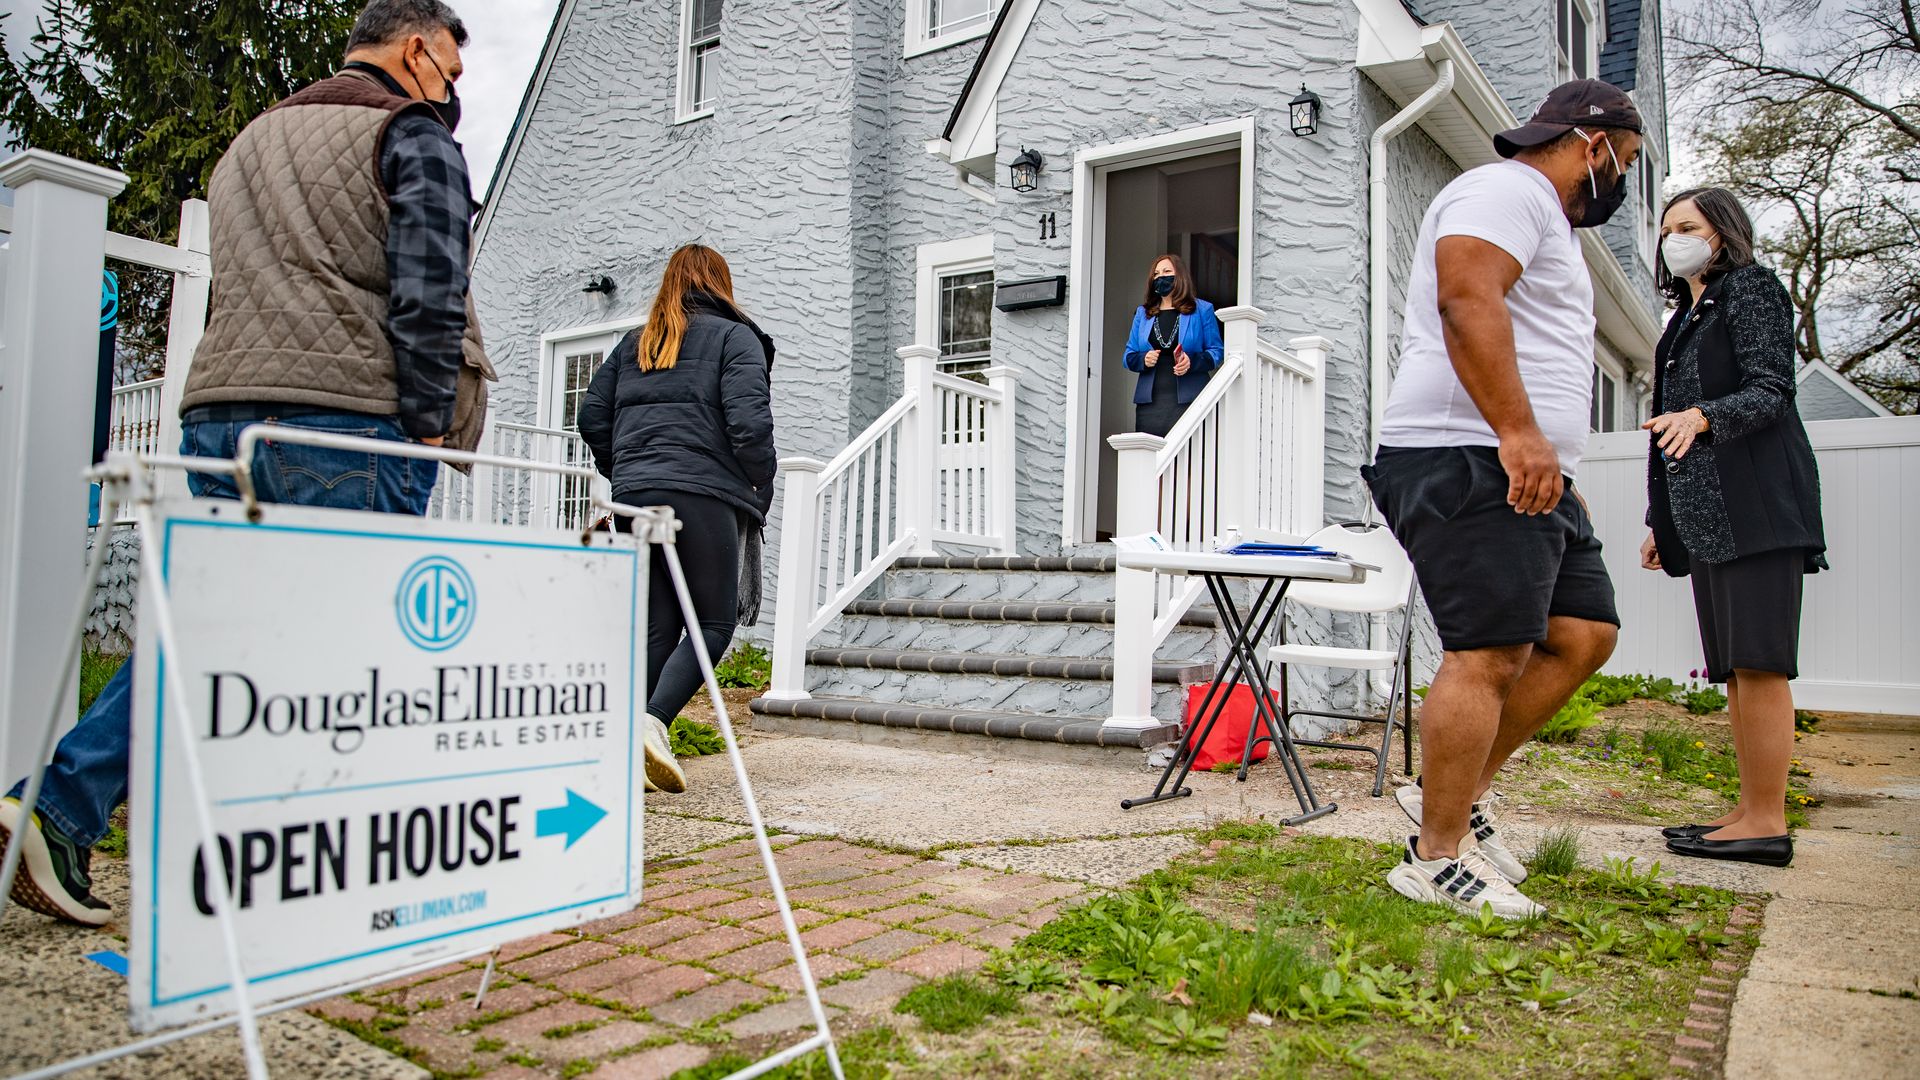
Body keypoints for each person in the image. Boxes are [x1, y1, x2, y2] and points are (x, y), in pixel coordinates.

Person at [0, 0, 491, 926]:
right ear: (418, 49)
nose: (452, 98)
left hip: (220, 417)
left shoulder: (251, 144)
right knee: (352, 661)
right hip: (344, 426)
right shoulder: (409, 131)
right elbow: (432, 284)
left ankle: (61, 806)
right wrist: (427, 424)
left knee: (210, 639)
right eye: (452, 77)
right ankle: (322, 881)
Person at [1363, 80, 1644, 918]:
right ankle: (1436, 855)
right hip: (1469, 450)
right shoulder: (1506, 189)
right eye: (1622, 163)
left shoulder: (1539, 213)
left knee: (1583, 633)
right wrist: (1519, 435)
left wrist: (1555, 460)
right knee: (1489, 653)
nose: (1618, 183)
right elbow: (1466, 296)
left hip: (1524, 460)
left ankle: (1453, 794)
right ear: (1590, 142)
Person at [1642, 188, 1824, 869]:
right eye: (1665, 230)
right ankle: (1748, 812)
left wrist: (1705, 416)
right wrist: (1661, 522)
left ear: (1722, 233)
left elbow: (1772, 388)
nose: (1673, 238)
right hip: (1709, 518)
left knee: (1762, 664)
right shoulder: (1683, 317)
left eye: (1686, 225)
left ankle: (1767, 822)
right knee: (1736, 670)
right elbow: (1666, 430)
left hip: (1758, 508)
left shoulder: (1751, 290)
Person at [578, 245, 777, 796]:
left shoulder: (637, 342)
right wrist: (759, 481)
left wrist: (628, 469)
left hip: (636, 498)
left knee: (658, 624)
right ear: (720, 284)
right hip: (702, 494)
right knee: (712, 623)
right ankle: (653, 722)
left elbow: (590, 415)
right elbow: (749, 425)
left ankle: (623, 740)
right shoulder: (736, 338)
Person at [1122, 254, 1224, 437]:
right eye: (1156, 274)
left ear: (1180, 276)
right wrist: (1143, 359)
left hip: (1191, 399)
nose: (1161, 277)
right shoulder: (1143, 313)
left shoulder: (1202, 310)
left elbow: (1216, 353)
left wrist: (1191, 361)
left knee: (1190, 455)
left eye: (1167, 271)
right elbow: (1128, 356)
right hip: (1150, 402)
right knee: (1151, 458)